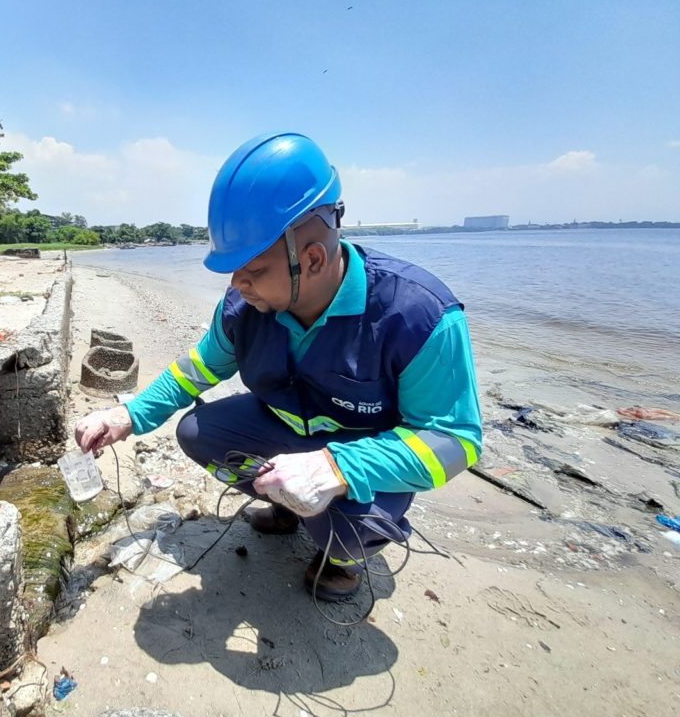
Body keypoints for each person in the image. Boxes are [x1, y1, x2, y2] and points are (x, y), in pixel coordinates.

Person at [75, 131, 483, 601]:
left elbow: (456, 439)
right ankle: (289, 505)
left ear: (312, 258)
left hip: (364, 454)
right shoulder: (242, 309)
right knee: (196, 432)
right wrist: (126, 415)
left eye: (252, 270)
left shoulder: (417, 315)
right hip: (286, 431)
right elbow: (194, 371)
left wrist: (338, 468)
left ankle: (341, 558)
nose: (237, 284)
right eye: (233, 270)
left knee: (353, 525)